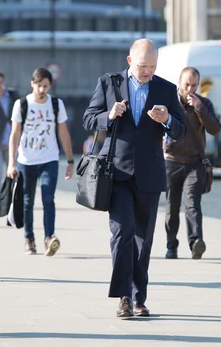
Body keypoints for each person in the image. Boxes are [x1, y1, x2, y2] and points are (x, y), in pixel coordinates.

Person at [83, 39, 186, 318]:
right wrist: (109, 115)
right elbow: (88, 119)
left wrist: (167, 120)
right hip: (116, 172)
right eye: (142, 66)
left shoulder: (166, 88)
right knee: (122, 232)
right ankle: (124, 298)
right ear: (130, 61)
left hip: (150, 175)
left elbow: (181, 131)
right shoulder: (109, 83)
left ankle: (140, 298)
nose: (147, 72)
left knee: (144, 239)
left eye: (152, 67)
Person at [6, 68, 74, 256]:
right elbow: (15, 134)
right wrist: (11, 163)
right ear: (32, 84)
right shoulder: (22, 104)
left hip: (49, 158)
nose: (42, 90)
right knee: (27, 201)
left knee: (48, 198)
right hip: (26, 159)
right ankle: (29, 239)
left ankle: (49, 238)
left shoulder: (56, 104)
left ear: (50, 86)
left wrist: (70, 160)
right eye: (39, 86)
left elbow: (63, 132)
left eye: (46, 86)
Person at [163, 67, 221, 260]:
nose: (190, 88)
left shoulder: (204, 104)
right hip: (171, 161)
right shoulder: (168, 103)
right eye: (187, 84)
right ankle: (171, 245)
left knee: (192, 204)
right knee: (172, 207)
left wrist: (200, 108)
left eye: (194, 85)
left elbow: (214, 129)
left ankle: (196, 242)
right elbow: (155, 126)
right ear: (179, 82)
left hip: (195, 162)